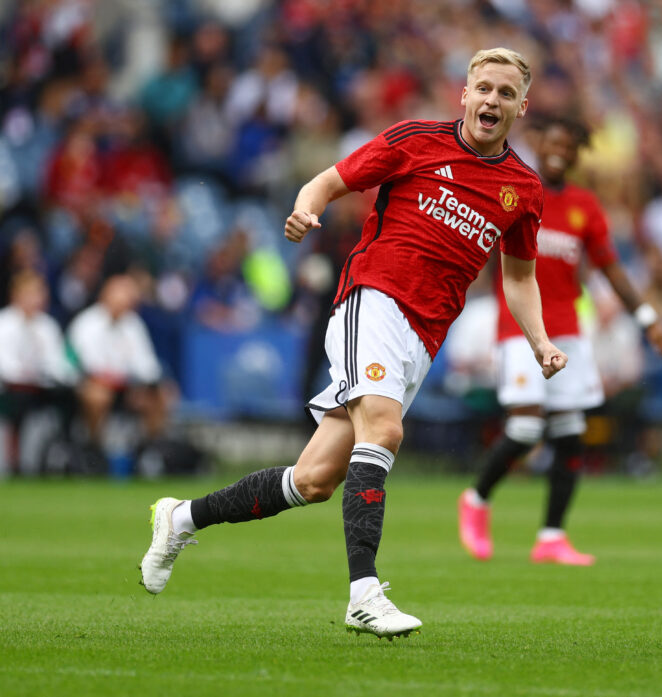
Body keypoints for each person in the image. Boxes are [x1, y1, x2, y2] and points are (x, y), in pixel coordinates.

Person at [139, 48, 567, 640]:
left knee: (314, 480)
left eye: (505, 93)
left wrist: (541, 341)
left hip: (425, 333)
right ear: (464, 94)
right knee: (385, 432)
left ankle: (181, 518)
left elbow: (518, 278)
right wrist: (304, 211)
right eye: (483, 89)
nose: (492, 100)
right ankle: (364, 593)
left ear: (522, 106)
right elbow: (329, 181)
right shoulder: (415, 139)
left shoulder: (522, 188)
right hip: (374, 297)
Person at [458, 117, 662, 565]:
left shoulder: (585, 206)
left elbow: (611, 269)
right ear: (538, 143)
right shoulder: (514, 191)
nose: (559, 152)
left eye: (569, 146)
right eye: (552, 142)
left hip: (570, 334)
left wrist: (649, 320)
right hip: (520, 329)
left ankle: (552, 537)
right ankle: (477, 500)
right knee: (524, 427)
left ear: (578, 154)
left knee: (570, 431)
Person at [67, 274, 173, 463]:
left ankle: (147, 452)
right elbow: (89, 366)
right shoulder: (87, 323)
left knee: (164, 394)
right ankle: (95, 449)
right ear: (106, 296)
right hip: (94, 384)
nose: (125, 302)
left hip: (127, 387)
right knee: (98, 396)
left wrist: (144, 384)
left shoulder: (134, 324)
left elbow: (147, 364)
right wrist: (124, 380)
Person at [0, 270, 78, 473]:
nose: (37, 299)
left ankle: (61, 457)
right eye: (31, 293)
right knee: (19, 402)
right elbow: (6, 367)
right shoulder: (4, 323)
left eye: (40, 293)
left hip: (39, 387)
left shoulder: (47, 326)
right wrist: (32, 374)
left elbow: (57, 362)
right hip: (10, 389)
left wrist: (62, 376)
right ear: (16, 295)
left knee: (70, 398)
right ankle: (15, 463)